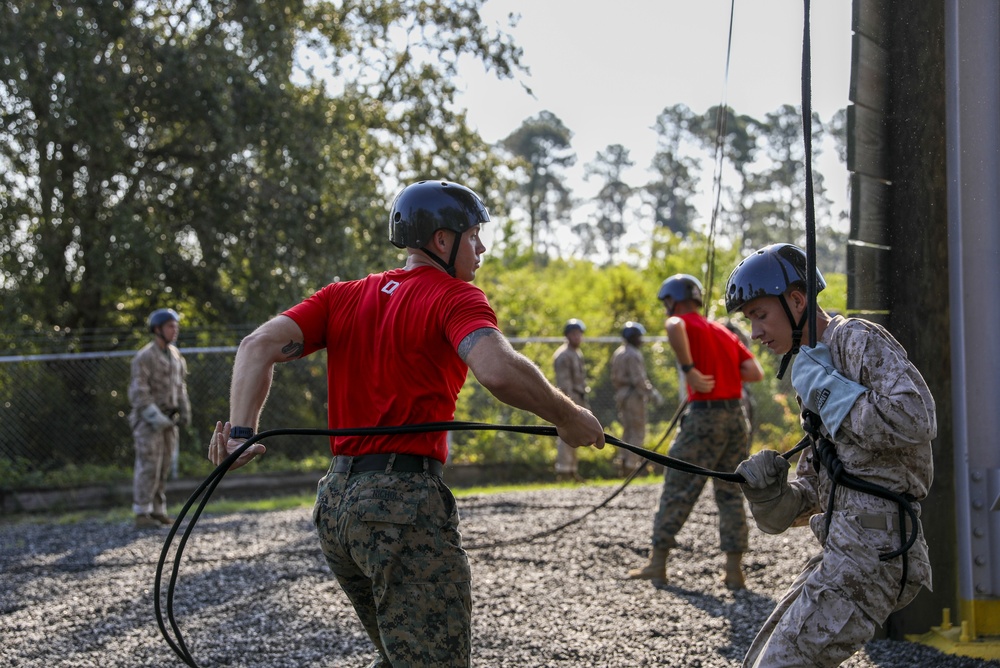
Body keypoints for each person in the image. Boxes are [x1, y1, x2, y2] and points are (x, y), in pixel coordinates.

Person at [207, 180, 605, 667]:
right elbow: (497, 370)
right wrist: (568, 417)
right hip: (401, 505)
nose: (481, 249)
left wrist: (241, 436)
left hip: (336, 505)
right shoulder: (457, 298)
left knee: (401, 655)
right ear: (442, 240)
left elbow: (256, 346)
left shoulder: (342, 296)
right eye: (474, 235)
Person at [725, 243, 935, 667]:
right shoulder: (811, 369)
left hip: (878, 551)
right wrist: (772, 498)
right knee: (759, 660)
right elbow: (820, 488)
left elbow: (916, 418)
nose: (755, 333)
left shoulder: (855, 341)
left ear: (798, 300)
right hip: (844, 550)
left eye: (760, 315)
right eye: (750, 321)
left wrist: (831, 393)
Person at [627, 274, 764, 589]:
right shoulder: (722, 331)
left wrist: (690, 370)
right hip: (736, 418)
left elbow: (673, 326)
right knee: (730, 493)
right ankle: (733, 572)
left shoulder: (682, 323)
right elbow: (753, 372)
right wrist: (725, 370)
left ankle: (657, 564)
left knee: (679, 487)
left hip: (704, 417)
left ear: (672, 300)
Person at [128, 307, 191, 529]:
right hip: (148, 422)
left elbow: (180, 386)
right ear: (157, 329)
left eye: (176, 326)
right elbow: (139, 393)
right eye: (170, 326)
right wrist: (155, 417)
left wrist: (184, 411)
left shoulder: (175, 356)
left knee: (164, 465)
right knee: (149, 465)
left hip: (169, 420)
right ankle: (141, 512)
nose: (175, 330)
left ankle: (157, 510)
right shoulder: (144, 357)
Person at [610, 321, 661, 476]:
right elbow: (638, 379)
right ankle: (632, 465)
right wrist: (652, 393)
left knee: (627, 431)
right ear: (631, 337)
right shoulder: (633, 354)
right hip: (633, 396)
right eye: (639, 337)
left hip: (621, 395)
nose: (641, 340)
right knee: (638, 431)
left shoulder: (618, 352)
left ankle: (623, 462)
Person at [552, 318, 591, 482]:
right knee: (565, 434)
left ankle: (572, 470)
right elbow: (564, 383)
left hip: (578, 397)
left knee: (576, 434)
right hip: (568, 398)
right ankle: (564, 470)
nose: (578, 337)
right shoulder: (563, 355)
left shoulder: (576, 353)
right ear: (567, 335)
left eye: (579, 334)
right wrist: (569, 403)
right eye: (574, 334)